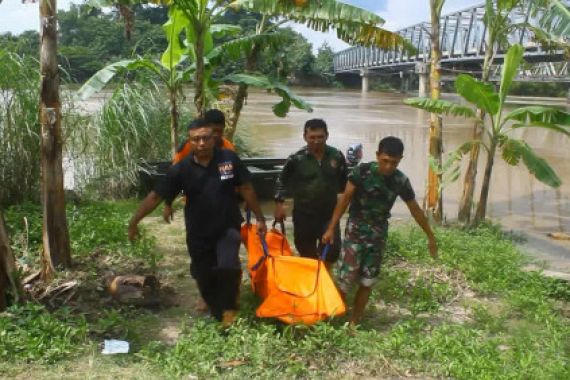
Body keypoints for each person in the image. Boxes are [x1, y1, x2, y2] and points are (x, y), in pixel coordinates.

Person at [128, 119, 267, 326]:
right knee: (204, 274)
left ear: (214, 139)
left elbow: (246, 188)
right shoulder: (181, 169)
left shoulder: (228, 159)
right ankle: (214, 309)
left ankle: (228, 316)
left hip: (227, 226)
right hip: (198, 230)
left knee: (228, 267)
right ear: (190, 142)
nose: (201, 143)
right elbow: (155, 196)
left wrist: (260, 217)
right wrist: (134, 222)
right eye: (196, 139)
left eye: (205, 138)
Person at [322, 136, 437, 325]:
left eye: (394, 163)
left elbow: (414, 209)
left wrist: (430, 236)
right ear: (377, 156)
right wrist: (331, 228)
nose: (389, 167)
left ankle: (354, 322)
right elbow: (344, 200)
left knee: (368, 281)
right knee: (345, 280)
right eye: (385, 161)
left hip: (377, 235)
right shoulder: (362, 172)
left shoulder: (400, 180)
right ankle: (333, 318)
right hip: (355, 233)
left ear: (400, 159)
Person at [274, 119, 348, 265]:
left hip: (328, 214)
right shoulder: (297, 158)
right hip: (303, 214)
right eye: (312, 137)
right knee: (306, 252)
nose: (316, 141)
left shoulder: (337, 156)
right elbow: (281, 181)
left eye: (320, 137)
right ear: (305, 137)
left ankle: (323, 279)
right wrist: (279, 205)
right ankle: (310, 282)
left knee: (332, 250)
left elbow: (344, 186)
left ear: (327, 135)